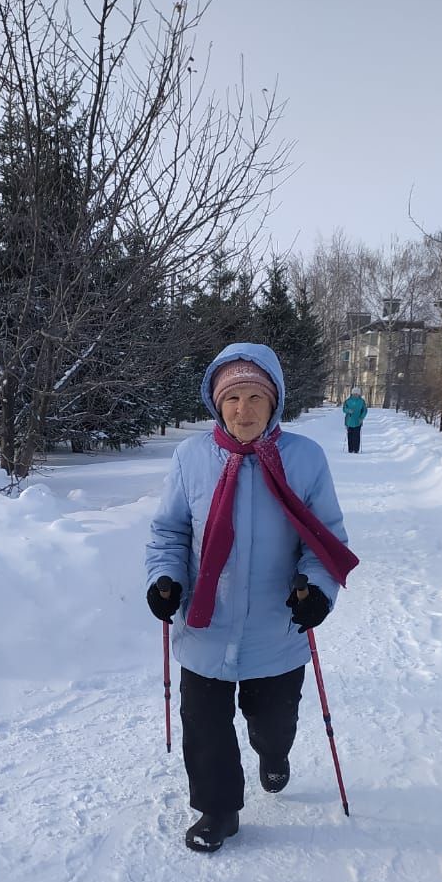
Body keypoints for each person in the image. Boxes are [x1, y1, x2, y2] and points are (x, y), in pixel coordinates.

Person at [145, 342, 358, 854]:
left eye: (255, 397)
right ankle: (218, 810)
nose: (244, 410)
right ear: (217, 403)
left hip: (277, 628)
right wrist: (164, 578)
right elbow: (169, 532)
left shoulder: (302, 458)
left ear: (275, 401)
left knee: (273, 722)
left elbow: (324, 539)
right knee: (204, 723)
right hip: (205, 625)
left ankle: (273, 753)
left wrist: (317, 593)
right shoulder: (192, 457)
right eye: (233, 397)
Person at [342, 386, 368, 453]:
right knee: (350, 436)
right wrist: (348, 410)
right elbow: (344, 409)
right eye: (354, 393)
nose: (355, 395)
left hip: (357, 421)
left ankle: (356, 449)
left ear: (359, 394)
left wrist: (361, 418)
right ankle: (350, 449)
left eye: (357, 394)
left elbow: (364, 410)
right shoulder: (348, 401)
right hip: (349, 421)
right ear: (352, 394)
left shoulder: (361, 401)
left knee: (356, 436)